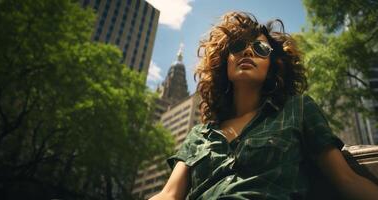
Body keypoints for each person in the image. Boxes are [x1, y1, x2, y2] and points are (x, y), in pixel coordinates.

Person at [150, 11, 378, 200]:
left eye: (260, 48)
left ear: (273, 64)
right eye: (238, 46)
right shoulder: (199, 135)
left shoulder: (297, 109)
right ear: (224, 62)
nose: (248, 51)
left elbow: (346, 180)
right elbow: (168, 195)